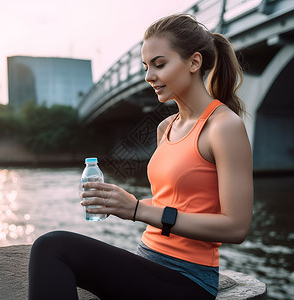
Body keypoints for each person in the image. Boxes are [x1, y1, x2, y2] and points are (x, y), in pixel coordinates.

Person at [28, 14, 253, 300]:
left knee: (52, 247)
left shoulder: (224, 126)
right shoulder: (165, 127)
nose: (149, 77)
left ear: (194, 62)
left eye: (160, 64)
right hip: (149, 260)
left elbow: (236, 226)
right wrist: (120, 202)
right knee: (53, 250)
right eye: (146, 67)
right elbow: (170, 203)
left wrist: (137, 210)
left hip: (189, 279)